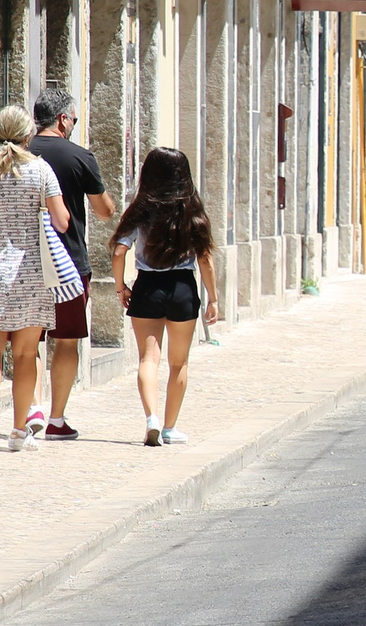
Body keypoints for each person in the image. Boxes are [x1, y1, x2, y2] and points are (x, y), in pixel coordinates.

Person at [0, 104, 73, 452]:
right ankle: (20, 429)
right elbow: (62, 221)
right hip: (32, 274)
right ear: (28, 136)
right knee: (26, 355)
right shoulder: (41, 171)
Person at [110, 146, 222, 447]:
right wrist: (213, 298)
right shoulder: (192, 211)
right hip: (183, 288)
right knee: (179, 363)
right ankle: (170, 427)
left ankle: (152, 420)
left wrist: (121, 287)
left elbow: (119, 250)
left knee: (149, 359)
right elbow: (205, 260)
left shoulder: (140, 210)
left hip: (148, 287)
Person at [24, 87, 114, 441]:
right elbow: (104, 211)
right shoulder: (80, 156)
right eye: (74, 119)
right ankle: (56, 419)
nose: (74, 124)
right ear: (63, 119)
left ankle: (30, 409)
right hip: (68, 263)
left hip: (26, 262)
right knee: (65, 341)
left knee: (27, 342)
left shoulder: (20, 152)